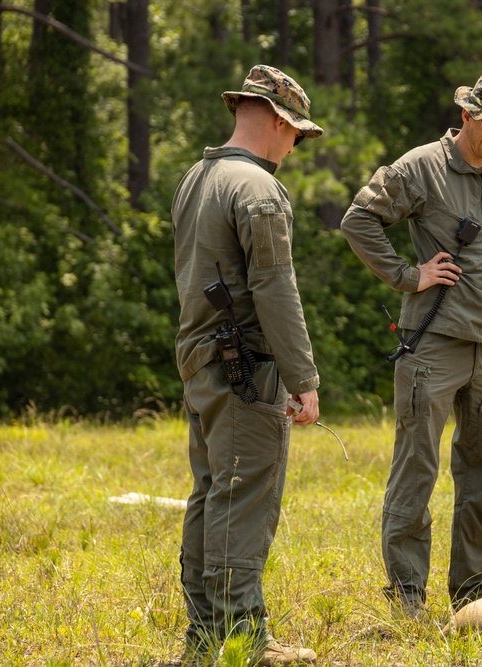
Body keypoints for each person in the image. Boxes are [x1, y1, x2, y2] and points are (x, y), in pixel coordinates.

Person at [340, 70, 482, 616]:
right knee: (416, 469)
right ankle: (407, 599)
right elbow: (359, 221)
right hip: (435, 344)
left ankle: (475, 598)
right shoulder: (420, 166)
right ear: (466, 114)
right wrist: (408, 275)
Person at [172, 64, 324, 665]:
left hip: (200, 357)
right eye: (296, 133)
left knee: (210, 492)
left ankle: (204, 635)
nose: (295, 146)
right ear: (278, 121)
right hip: (245, 366)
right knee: (244, 496)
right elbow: (275, 289)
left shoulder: (196, 177)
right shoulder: (258, 190)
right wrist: (304, 378)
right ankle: (241, 640)